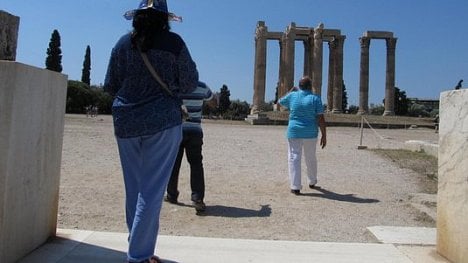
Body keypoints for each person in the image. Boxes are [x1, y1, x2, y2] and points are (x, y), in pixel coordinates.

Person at [103, 1, 198, 262]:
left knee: (134, 188)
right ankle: (139, 256)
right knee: (152, 191)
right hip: (162, 122)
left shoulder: (123, 43)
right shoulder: (174, 43)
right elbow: (190, 82)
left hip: (126, 121)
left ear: (138, 17)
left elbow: (110, 84)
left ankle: (138, 247)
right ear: (164, 19)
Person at [165, 81, 216, 214]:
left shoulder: (175, 85)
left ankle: (172, 194)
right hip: (195, 131)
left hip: (177, 129)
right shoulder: (202, 87)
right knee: (196, 164)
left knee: (174, 164)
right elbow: (214, 102)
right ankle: (198, 199)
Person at [278, 76, 327, 195]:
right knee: (310, 157)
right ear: (310, 86)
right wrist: (324, 135)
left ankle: (295, 186)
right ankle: (312, 181)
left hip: (294, 132)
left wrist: (290, 91)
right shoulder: (316, 99)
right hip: (310, 132)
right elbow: (320, 118)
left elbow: (280, 102)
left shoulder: (292, 96)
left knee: (294, 158)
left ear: (299, 86)